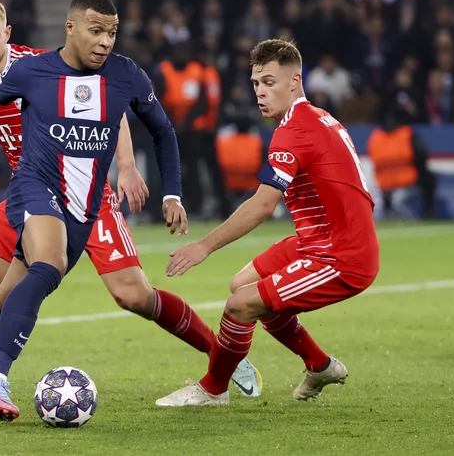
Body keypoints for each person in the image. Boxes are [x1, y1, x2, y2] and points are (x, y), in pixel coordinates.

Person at [0, 0, 255, 420]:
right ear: (71, 28)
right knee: (33, 270)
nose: (105, 41)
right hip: (35, 185)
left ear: (7, 35)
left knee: (113, 295)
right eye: (96, 31)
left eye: (111, 33)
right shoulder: (32, 73)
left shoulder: (122, 75)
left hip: (87, 201)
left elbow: (158, 130)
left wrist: (155, 183)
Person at [155, 38, 380, 407]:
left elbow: (261, 206)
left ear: (295, 81)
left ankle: (212, 389)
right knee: (243, 284)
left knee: (240, 305)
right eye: (256, 83)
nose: (260, 93)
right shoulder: (316, 117)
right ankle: (319, 364)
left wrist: (204, 246)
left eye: (270, 83)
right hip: (316, 239)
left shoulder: (295, 131)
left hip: (341, 255)